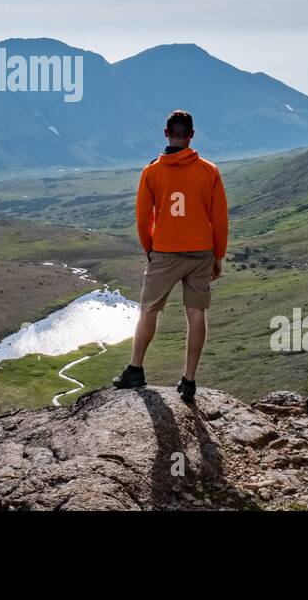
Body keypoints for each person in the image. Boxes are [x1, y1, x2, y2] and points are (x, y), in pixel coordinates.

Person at [113, 109, 228, 403]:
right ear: (190, 135)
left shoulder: (151, 171)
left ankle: (135, 369)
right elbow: (220, 217)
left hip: (164, 251)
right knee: (196, 313)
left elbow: (142, 218)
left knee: (149, 309)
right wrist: (218, 254)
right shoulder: (209, 171)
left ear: (166, 133)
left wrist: (151, 248)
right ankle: (188, 381)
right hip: (201, 251)